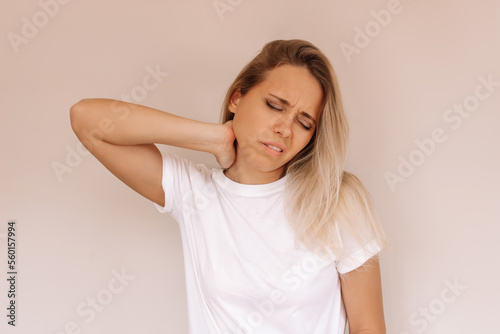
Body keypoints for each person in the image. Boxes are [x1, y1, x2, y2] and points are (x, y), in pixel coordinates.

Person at [70, 39, 387, 334]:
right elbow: (87, 119)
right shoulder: (194, 193)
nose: (284, 129)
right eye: (275, 106)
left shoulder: (336, 201)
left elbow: (368, 327)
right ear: (237, 98)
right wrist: (214, 138)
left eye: (304, 122)